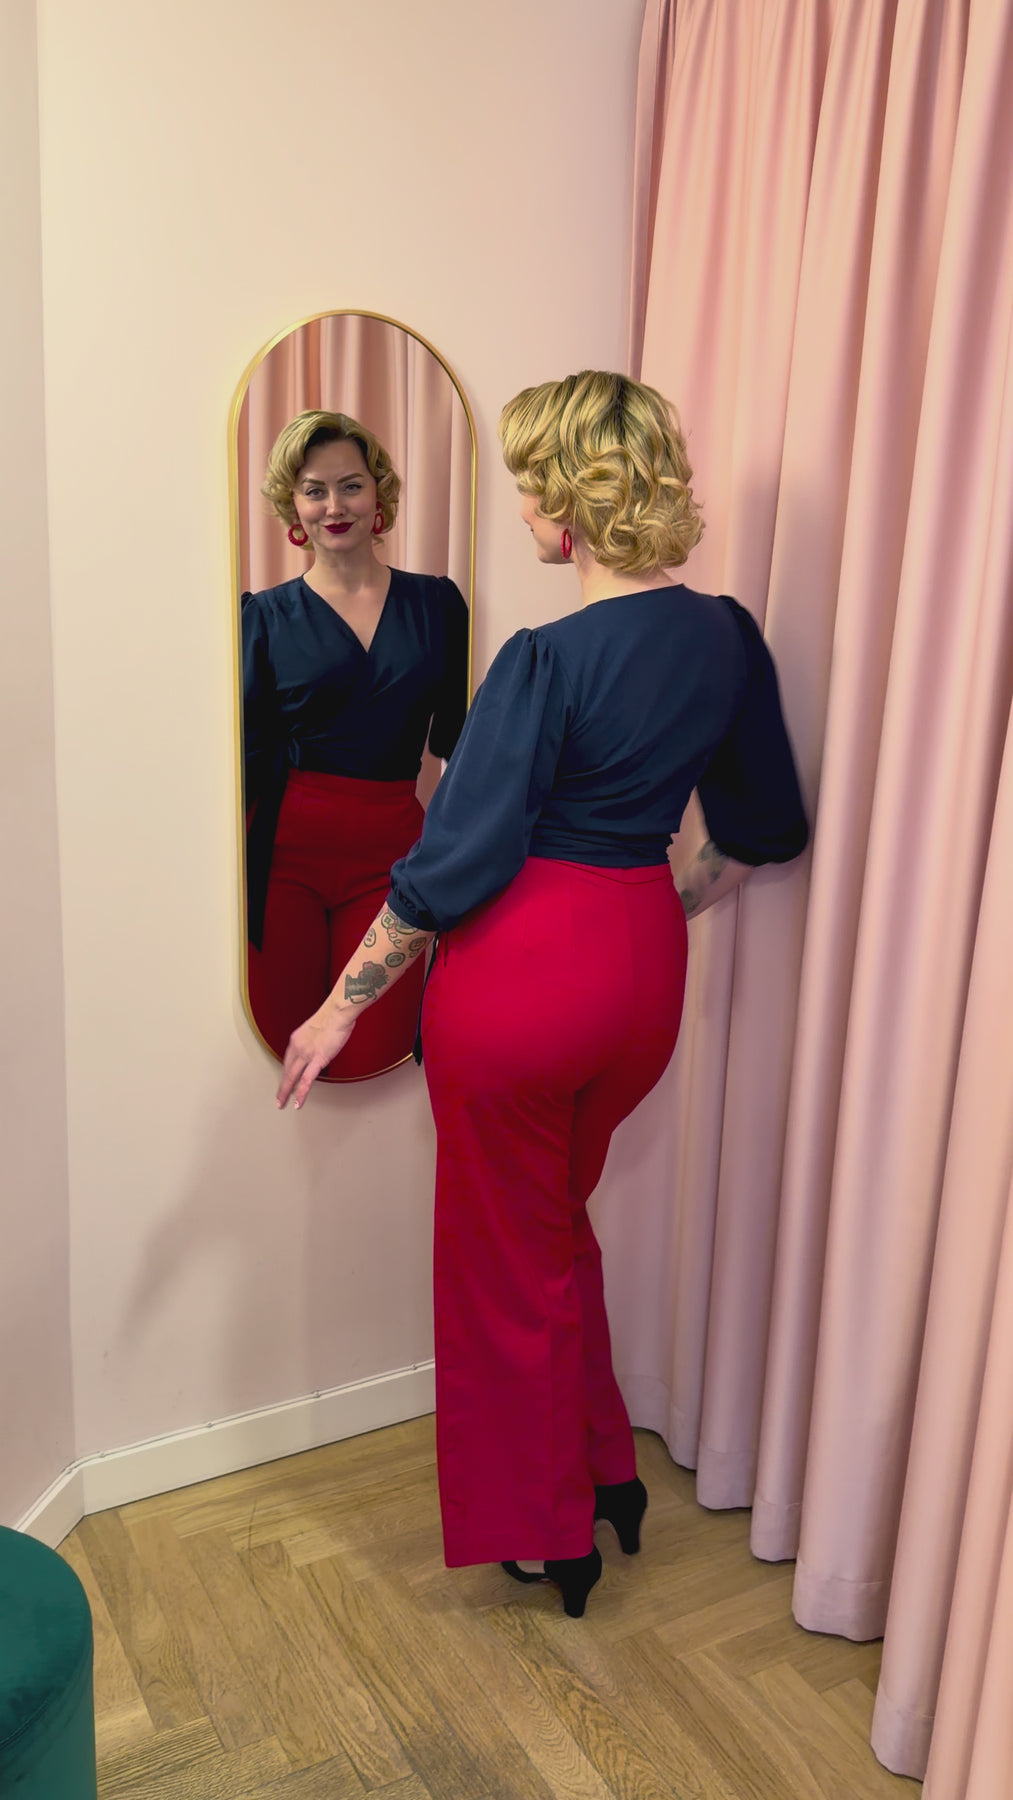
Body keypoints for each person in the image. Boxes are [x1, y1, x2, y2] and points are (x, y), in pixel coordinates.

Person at [276, 372, 809, 1613]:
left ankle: (547, 1528)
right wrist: (644, 910)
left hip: (523, 983)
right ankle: (603, 1470)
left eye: (529, 485)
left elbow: (447, 868)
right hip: (640, 969)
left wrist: (339, 1006)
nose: (522, 508)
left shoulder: (542, 658)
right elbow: (759, 827)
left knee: (497, 1261)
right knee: (552, 1226)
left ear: (571, 501)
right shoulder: (726, 635)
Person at [242, 410, 468, 1080]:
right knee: (277, 1046)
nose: (334, 506)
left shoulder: (438, 605)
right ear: (293, 505)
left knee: (376, 1053)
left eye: (350, 486)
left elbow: (457, 741)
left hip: (392, 854)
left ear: (378, 495)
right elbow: (244, 757)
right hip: (282, 857)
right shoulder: (260, 617)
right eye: (314, 491)